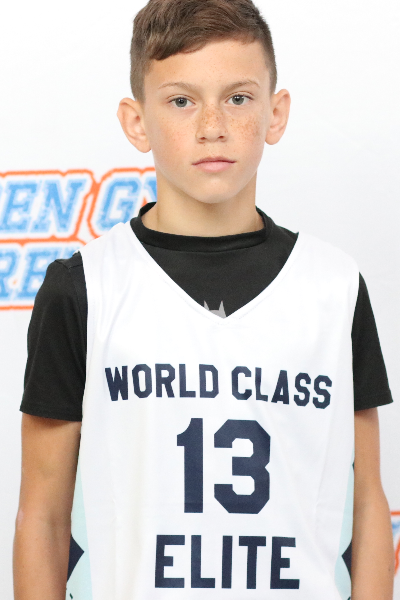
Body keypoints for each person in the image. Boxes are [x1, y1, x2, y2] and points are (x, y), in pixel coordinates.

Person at [13, 0, 395, 598]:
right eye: (181, 101)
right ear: (137, 122)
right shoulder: (83, 287)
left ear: (276, 113)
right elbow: (42, 514)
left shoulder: (333, 287)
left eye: (238, 98)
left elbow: (368, 503)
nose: (212, 125)